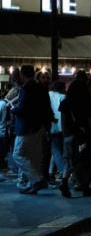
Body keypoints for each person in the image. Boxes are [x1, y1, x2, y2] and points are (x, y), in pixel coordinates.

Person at [10, 65, 53, 194]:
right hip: (39, 127)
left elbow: (23, 109)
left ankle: (36, 180)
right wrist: (47, 126)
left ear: (23, 75)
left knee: (18, 154)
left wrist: (13, 109)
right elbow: (46, 108)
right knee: (33, 157)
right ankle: (30, 184)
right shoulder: (41, 87)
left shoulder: (26, 88)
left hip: (26, 127)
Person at [58, 73, 91, 198]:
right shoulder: (86, 102)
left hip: (68, 135)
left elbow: (62, 121)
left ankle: (64, 182)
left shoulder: (65, 102)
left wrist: (64, 135)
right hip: (81, 136)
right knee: (82, 161)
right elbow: (89, 120)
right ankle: (84, 186)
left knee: (69, 160)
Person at [48, 80, 67, 183]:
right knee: (58, 151)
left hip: (51, 126)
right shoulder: (63, 97)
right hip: (61, 127)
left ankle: (52, 172)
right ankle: (62, 170)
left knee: (55, 151)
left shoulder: (48, 94)